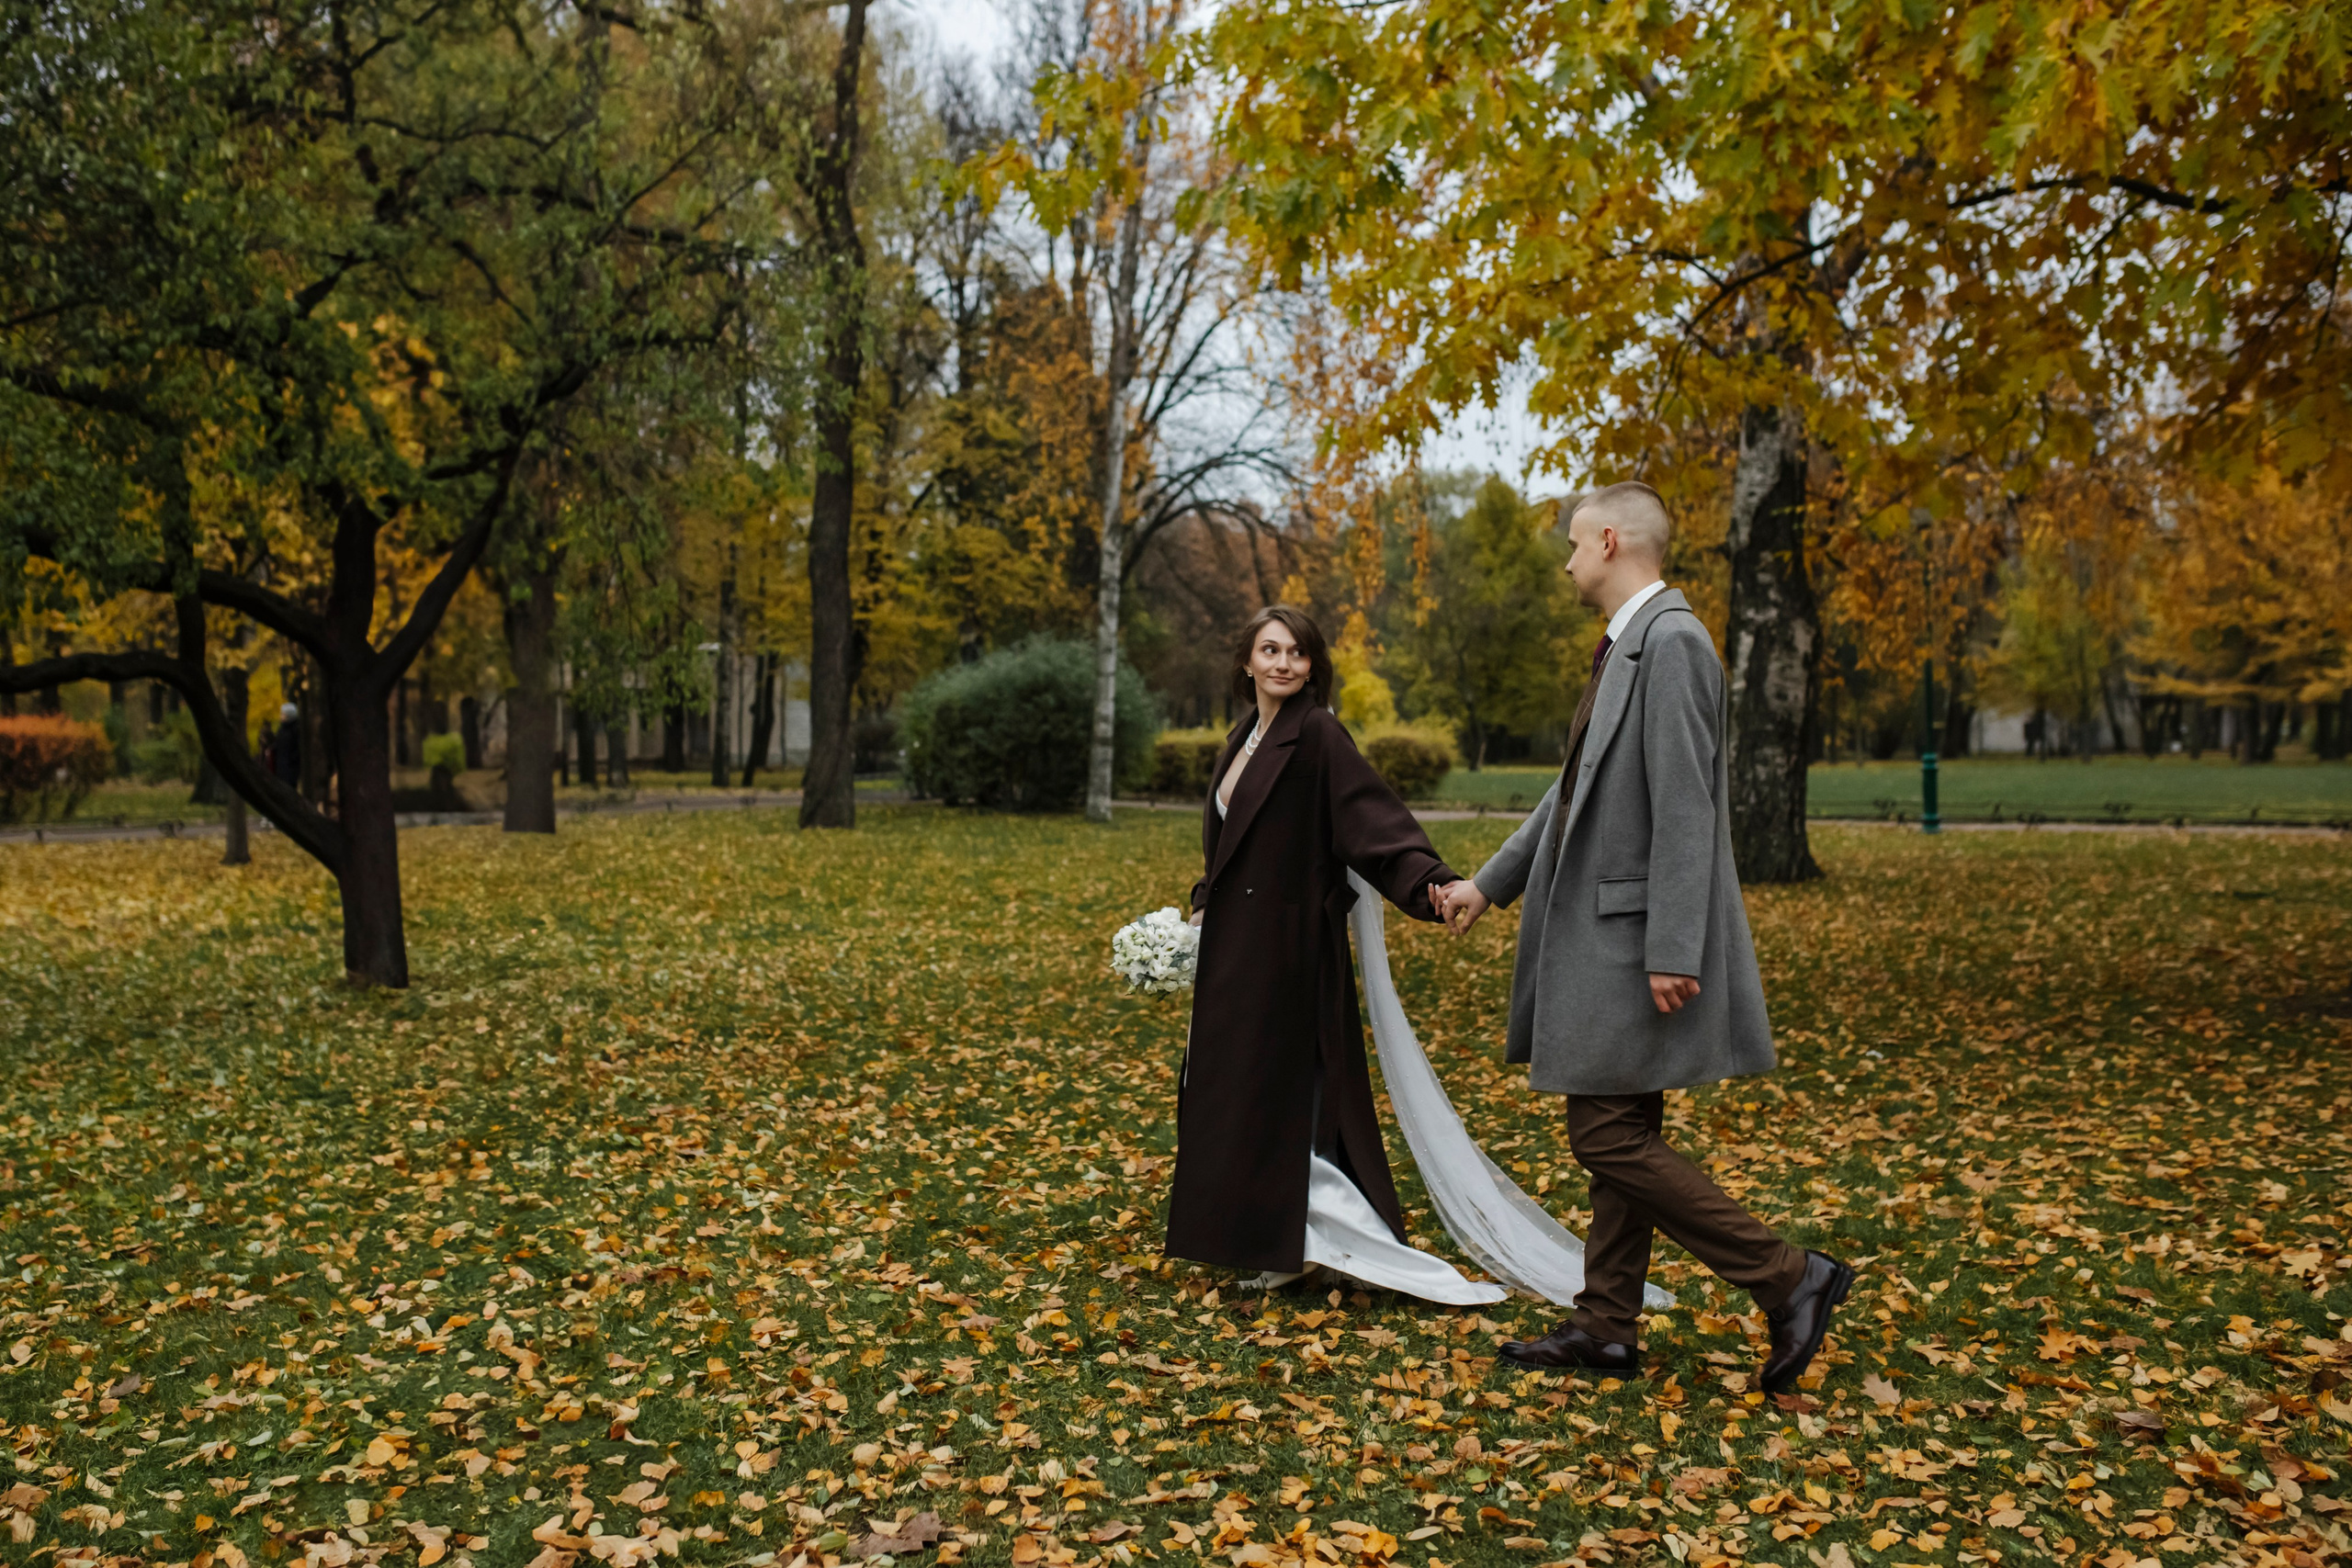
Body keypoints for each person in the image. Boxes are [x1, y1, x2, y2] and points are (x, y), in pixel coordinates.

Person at [1435, 482, 1850, 1392]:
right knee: (1620, 1123)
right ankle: (1606, 1326)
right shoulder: (1634, 644)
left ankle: (1789, 1277)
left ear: (1612, 541)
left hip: (1632, 941)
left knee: (1604, 1135)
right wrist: (1489, 884)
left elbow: (1688, 808)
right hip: (1611, 933)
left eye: (1574, 544)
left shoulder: (1673, 643)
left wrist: (1673, 945)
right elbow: (1574, 789)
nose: (1567, 559)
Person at [1167, 605, 1504, 1306]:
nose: (1283, 662)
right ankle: (1257, 1236)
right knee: (1229, 1095)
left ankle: (1296, 1245)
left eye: (1297, 652)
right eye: (1269, 649)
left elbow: (1372, 821)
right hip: (1233, 950)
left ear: (1313, 665)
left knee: (1276, 1097)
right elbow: (1232, 848)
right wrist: (1199, 907)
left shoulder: (1316, 735)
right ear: (1246, 662)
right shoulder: (1242, 738)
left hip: (1287, 952)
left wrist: (1432, 883)